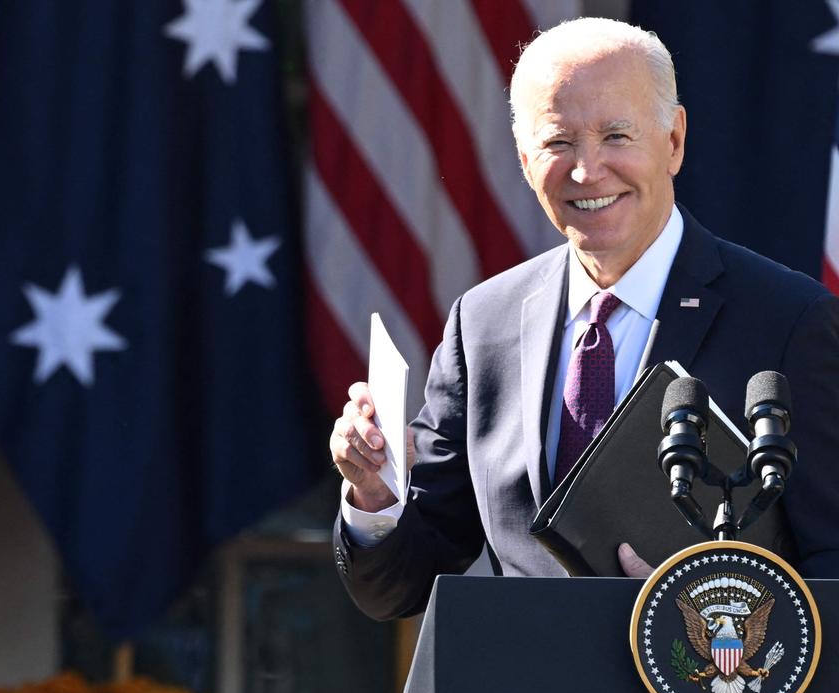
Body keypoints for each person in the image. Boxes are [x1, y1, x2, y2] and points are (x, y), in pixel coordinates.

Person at [329, 17, 839, 622]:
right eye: (559, 141)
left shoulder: (787, 321)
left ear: (673, 140)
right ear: (524, 158)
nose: (586, 170)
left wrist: (714, 607)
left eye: (617, 135)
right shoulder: (483, 324)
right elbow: (400, 587)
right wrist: (375, 496)